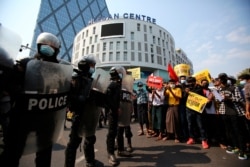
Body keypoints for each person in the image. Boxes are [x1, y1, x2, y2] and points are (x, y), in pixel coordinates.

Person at [0, 32, 72, 167]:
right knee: (12, 152)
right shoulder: (26, 64)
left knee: (44, 154)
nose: (48, 48)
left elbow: (65, 92)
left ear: (56, 50)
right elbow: (9, 84)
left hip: (47, 119)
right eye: (45, 45)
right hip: (23, 116)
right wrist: (20, 93)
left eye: (52, 46)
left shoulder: (59, 72)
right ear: (39, 46)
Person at [65, 54, 102, 167]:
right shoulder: (76, 77)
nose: (93, 67)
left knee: (90, 138)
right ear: (85, 65)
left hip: (89, 115)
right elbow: (70, 97)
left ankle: (90, 161)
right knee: (73, 144)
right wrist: (82, 99)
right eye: (92, 65)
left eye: (94, 65)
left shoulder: (91, 80)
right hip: (79, 115)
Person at [217, 73, 247, 160]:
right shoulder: (220, 89)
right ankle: (235, 146)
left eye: (222, 80)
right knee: (229, 131)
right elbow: (218, 100)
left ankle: (242, 150)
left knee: (238, 131)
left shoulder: (234, 87)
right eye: (220, 80)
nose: (220, 81)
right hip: (224, 112)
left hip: (234, 112)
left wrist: (228, 98)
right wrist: (218, 97)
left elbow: (239, 99)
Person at [105, 66, 124, 166]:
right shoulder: (111, 85)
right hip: (112, 112)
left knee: (116, 131)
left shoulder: (117, 84)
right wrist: (115, 108)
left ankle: (119, 149)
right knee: (111, 133)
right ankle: (110, 153)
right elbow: (108, 100)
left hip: (116, 111)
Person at [185, 76, 209, 149]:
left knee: (201, 125)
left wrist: (189, 92)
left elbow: (198, 95)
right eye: (188, 82)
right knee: (190, 125)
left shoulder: (199, 88)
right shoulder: (187, 88)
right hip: (189, 109)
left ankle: (204, 140)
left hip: (198, 110)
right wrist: (186, 93)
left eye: (191, 82)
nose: (189, 84)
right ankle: (192, 138)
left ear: (194, 82)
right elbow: (184, 97)